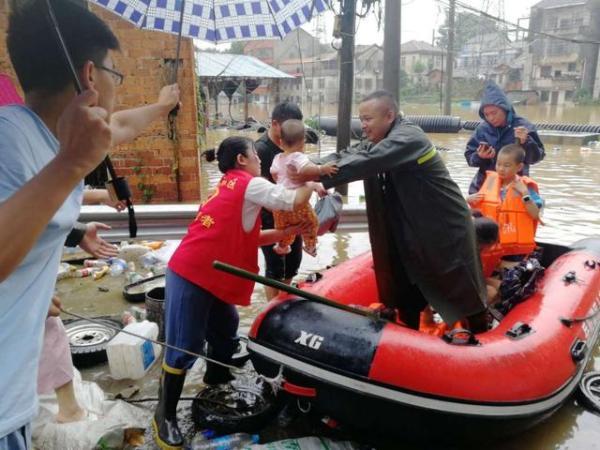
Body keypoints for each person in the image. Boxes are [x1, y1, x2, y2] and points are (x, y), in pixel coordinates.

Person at [154, 137, 316, 450]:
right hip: (192, 273)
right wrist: (314, 177)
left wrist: (282, 234)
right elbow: (290, 200)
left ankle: (215, 378)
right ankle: (165, 414)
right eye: (256, 156)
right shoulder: (249, 183)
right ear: (243, 160)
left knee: (225, 329)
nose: (260, 162)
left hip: (211, 271)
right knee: (183, 345)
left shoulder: (228, 185)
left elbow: (246, 235)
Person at [292, 90, 488, 331]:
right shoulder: (378, 140)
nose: (363, 125)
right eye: (361, 119)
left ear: (389, 115)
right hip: (407, 228)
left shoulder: (408, 137)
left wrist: (314, 174)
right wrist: (310, 166)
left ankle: (481, 337)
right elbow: (351, 154)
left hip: (442, 227)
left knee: (463, 291)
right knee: (404, 289)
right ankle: (410, 338)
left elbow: (368, 161)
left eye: (367, 119)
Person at [255, 101, 305, 299]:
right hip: (270, 219)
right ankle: (271, 310)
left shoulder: (294, 144)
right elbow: (260, 191)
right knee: (275, 267)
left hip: (294, 211)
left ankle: (282, 303)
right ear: (275, 124)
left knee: (293, 264)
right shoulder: (261, 150)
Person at [271, 119, 337, 256]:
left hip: (279, 204)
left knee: (285, 229)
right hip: (297, 203)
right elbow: (306, 170)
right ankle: (310, 246)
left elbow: (274, 174)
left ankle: (282, 246)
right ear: (303, 142)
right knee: (312, 223)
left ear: (281, 142)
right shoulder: (298, 157)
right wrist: (322, 169)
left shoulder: (277, 157)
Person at [465, 81, 545, 194]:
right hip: (484, 186)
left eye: (494, 113)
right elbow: (470, 159)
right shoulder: (482, 129)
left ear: (504, 108)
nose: (491, 118)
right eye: (486, 114)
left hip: (515, 188)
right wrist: (480, 156)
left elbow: (537, 158)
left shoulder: (524, 127)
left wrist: (527, 142)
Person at [468, 144, 543, 263]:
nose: (501, 169)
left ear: (519, 167)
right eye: (498, 164)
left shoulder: (526, 187)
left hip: (514, 248)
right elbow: (476, 213)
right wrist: (469, 200)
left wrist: (525, 194)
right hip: (491, 242)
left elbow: (535, 215)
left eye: (507, 165)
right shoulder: (490, 183)